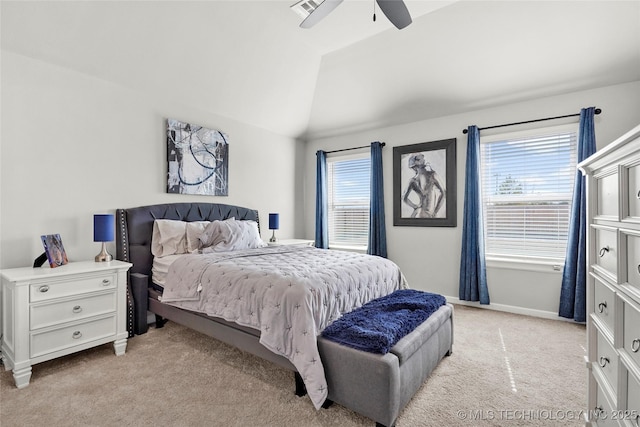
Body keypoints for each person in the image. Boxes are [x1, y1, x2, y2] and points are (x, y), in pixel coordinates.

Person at [402, 153, 446, 218]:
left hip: (418, 213)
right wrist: (435, 212)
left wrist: (415, 207)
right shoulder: (432, 175)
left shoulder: (412, 180)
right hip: (428, 213)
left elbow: (404, 198)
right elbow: (444, 193)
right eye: (420, 159)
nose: (424, 160)